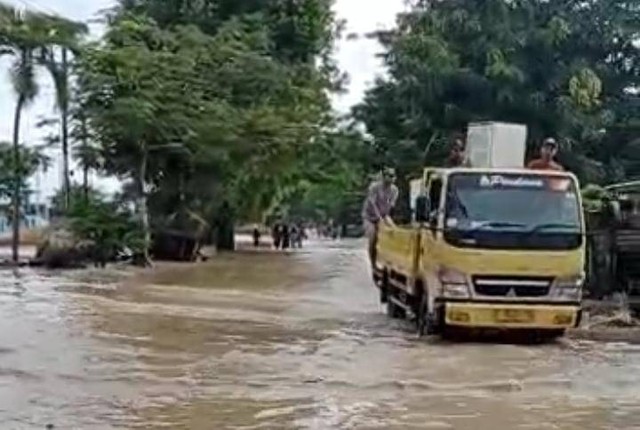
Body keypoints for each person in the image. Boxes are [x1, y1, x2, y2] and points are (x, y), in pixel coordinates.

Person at [362, 167, 399, 271]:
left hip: (384, 214)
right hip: (369, 216)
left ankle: (389, 260)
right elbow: (372, 203)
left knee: (394, 233)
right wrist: (379, 218)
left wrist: (386, 220)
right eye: (389, 176)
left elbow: (390, 206)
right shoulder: (374, 187)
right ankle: (373, 263)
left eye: (393, 176)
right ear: (384, 177)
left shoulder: (394, 190)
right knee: (373, 236)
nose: (391, 179)